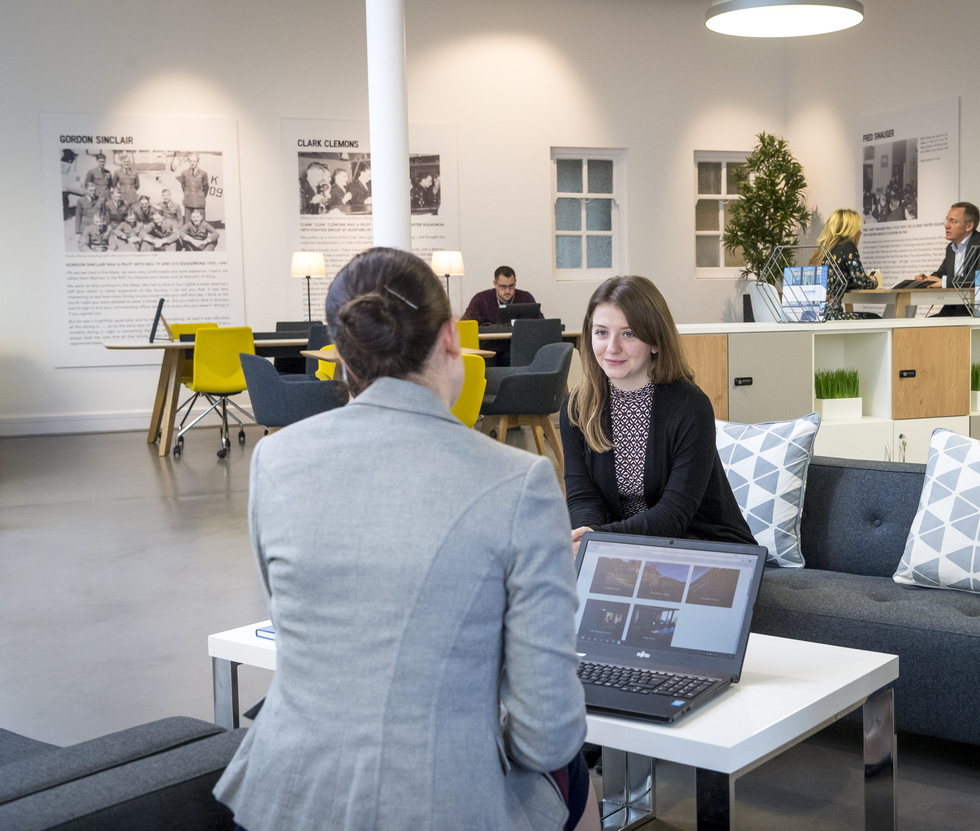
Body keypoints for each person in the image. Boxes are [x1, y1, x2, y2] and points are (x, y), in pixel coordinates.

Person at [212, 247, 595, 831]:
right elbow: (547, 736)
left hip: (281, 799)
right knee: (578, 781)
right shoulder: (520, 482)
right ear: (450, 338)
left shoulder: (274, 460)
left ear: (341, 354)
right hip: (440, 806)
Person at [561, 275, 756, 553]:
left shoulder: (690, 406)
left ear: (655, 341)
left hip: (703, 546)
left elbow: (673, 515)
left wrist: (600, 538)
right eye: (601, 332)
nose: (612, 347)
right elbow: (583, 498)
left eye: (629, 334)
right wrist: (587, 539)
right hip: (625, 549)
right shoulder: (578, 407)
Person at [913, 202, 980, 317]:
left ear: (969, 226)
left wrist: (944, 282)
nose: (946, 225)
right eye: (947, 220)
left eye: (953, 221)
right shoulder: (951, 247)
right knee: (920, 327)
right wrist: (927, 279)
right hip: (953, 308)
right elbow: (942, 273)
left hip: (977, 311)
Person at [808, 208, 880, 321]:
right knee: (875, 318)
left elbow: (836, 281)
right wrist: (873, 280)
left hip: (813, 316)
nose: (860, 233)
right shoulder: (848, 246)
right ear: (850, 231)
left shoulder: (821, 252)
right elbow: (862, 283)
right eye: (858, 229)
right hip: (832, 317)